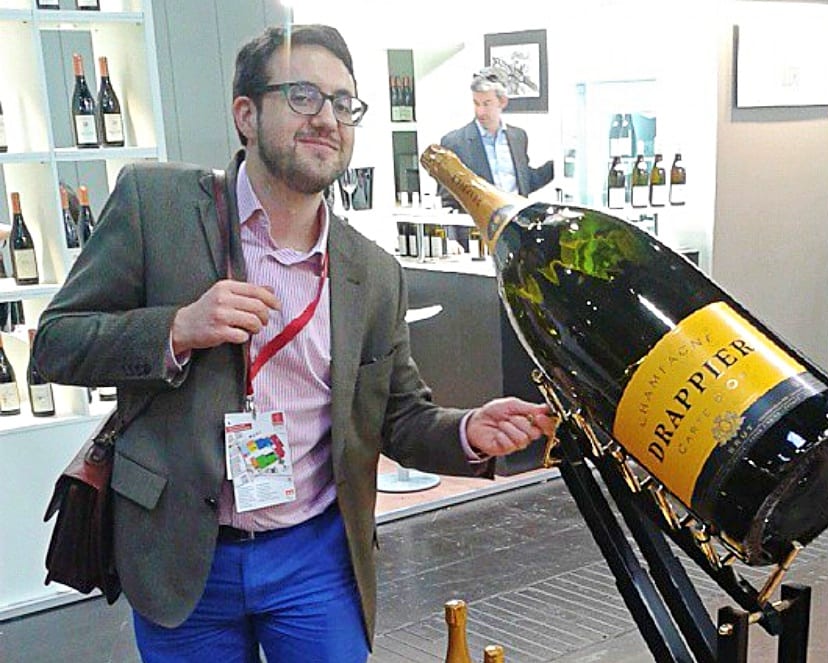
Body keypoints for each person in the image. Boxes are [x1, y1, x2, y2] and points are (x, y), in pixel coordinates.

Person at [32, 24, 555, 662]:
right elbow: (56, 343)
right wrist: (176, 329)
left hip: (315, 559)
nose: (327, 118)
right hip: (181, 553)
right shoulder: (157, 207)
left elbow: (396, 415)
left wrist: (468, 430)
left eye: (343, 103)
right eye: (303, 96)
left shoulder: (373, 271)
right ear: (246, 115)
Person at [438, 66, 553, 247]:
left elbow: (525, 181)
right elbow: (448, 201)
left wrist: (558, 165)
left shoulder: (518, 137)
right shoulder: (455, 142)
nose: (480, 111)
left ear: (502, 102)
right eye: (476, 103)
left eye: (487, 103)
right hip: (477, 239)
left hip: (517, 233)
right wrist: (452, 242)